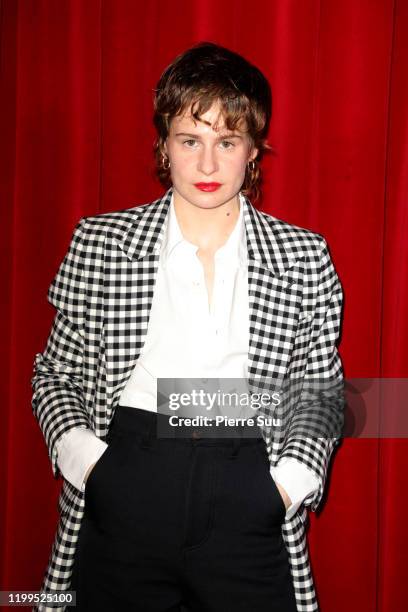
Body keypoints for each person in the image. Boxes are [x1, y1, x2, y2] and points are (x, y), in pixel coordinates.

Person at [31, 41, 345, 612]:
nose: (207, 165)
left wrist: (285, 486)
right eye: (190, 140)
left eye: (226, 142)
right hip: (126, 482)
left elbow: (319, 391)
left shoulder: (304, 256)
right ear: (165, 145)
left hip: (250, 489)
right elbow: (55, 373)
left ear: (253, 150)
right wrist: (91, 466)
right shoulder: (100, 243)